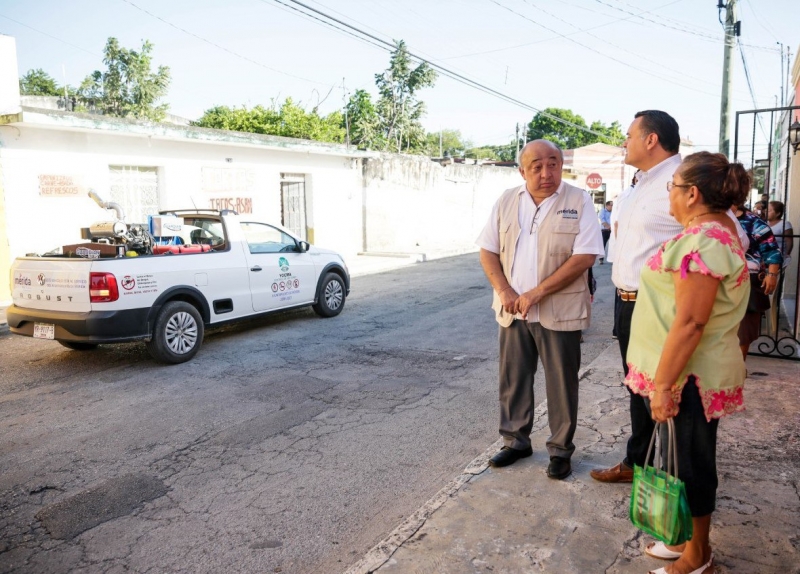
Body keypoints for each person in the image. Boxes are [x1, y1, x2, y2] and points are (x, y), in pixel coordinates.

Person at [590, 111, 749, 485]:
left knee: (669, 395)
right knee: (638, 389)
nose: (623, 142)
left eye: (629, 135)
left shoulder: (689, 183)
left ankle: (671, 476)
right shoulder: (637, 187)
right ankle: (641, 462)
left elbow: (731, 238)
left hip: (666, 310)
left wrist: (686, 278)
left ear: (651, 139)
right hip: (627, 301)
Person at [625, 151, 750, 574]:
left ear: (692, 194)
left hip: (689, 376)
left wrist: (662, 385)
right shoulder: (713, 229)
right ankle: (681, 538)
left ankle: (699, 554)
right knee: (679, 458)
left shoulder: (706, 240)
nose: (670, 196)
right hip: (682, 371)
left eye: (672, 187)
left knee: (694, 463)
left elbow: (692, 321)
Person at [476, 139, 604, 479]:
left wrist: (535, 293)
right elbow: (487, 250)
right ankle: (515, 441)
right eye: (536, 166)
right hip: (512, 309)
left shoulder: (579, 200)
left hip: (559, 311)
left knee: (562, 382)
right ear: (522, 170)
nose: (546, 172)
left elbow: (585, 256)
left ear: (562, 166)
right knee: (513, 379)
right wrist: (504, 289)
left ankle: (560, 449)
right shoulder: (506, 201)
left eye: (553, 164)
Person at [734, 205, 782, 360]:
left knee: (745, 328)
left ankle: (739, 365)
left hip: (748, 276)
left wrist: (772, 274)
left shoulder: (752, 221)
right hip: (718, 276)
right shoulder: (712, 217)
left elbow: (772, 250)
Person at [767, 200, 793, 269]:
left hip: (778, 259)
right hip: (766, 258)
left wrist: (786, 256)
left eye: (769, 211)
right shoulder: (765, 224)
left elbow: (789, 241)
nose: (766, 212)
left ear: (778, 213)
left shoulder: (784, 224)